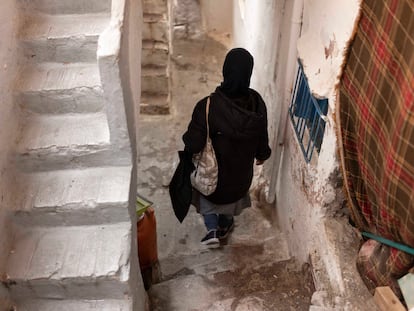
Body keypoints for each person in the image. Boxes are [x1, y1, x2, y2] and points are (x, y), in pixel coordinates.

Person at [182, 48, 272, 248]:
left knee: (207, 192)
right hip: (240, 179)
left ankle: (212, 228)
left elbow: (193, 144)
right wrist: (262, 154)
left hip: (213, 180)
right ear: (248, 73)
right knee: (230, 199)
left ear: (225, 71)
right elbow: (261, 136)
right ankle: (224, 225)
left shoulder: (207, 107)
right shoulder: (257, 103)